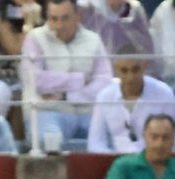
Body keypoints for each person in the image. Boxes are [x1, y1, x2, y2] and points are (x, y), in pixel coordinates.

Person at [21, 0, 109, 151]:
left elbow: (104, 81)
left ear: (77, 16)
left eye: (65, 18)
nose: (59, 25)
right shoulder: (34, 39)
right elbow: (37, 80)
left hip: (87, 111)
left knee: (111, 140)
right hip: (47, 110)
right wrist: (80, 80)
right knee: (48, 141)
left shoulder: (94, 40)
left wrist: (67, 96)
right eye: (53, 19)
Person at [86, 54, 175, 151]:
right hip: (116, 162)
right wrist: (115, 162)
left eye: (135, 70)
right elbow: (96, 142)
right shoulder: (104, 96)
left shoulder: (164, 93)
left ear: (144, 66)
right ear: (116, 68)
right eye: (124, 70)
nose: (130, 77)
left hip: (155, 160)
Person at [78, 0, 153, 67]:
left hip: (129, 70)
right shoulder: (86, 8)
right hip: (99, 70)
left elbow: (147, 50)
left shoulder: (135, 8)